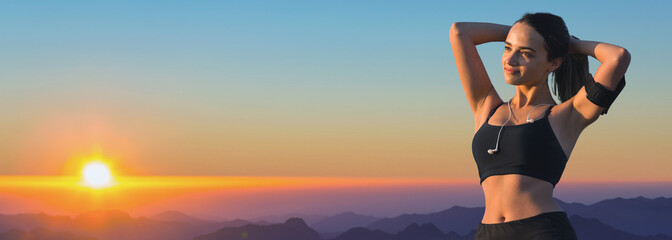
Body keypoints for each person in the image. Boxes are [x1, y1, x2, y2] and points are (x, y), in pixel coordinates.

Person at [449, 12, 630, 239]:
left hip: (541, 231)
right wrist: (525, 34)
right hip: (487, 233)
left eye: (525, 53)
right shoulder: (485, 105)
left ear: (553, 63)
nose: (510, 59)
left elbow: (617, 57)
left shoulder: (567, 115)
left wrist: (566, 44)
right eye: (507, 48)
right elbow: (460, 32)